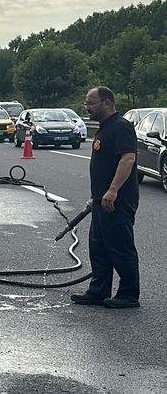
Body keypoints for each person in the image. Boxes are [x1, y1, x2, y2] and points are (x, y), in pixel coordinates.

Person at [70, 86, 140, 309]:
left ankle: (129, 294)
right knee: (99, 247)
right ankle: (98, 291)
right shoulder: (104, 128)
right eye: (86, 104)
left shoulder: (121, 127)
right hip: (101, 200)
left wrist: (113, 190)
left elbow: (127, 159)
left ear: (106, 103)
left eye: (91, 103)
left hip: (117, 199)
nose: (87, 107)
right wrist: (98, 196)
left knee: (119, 246)